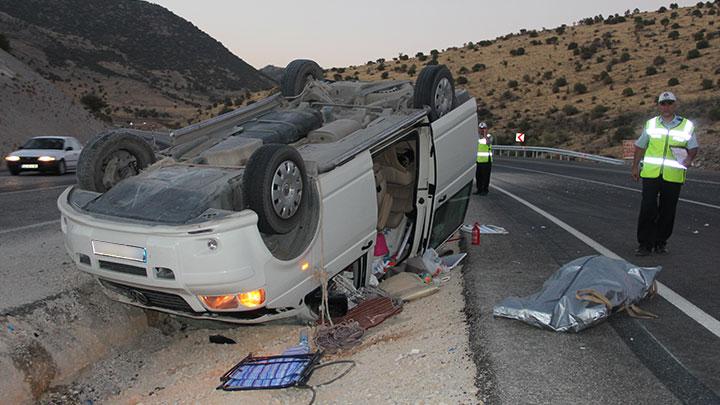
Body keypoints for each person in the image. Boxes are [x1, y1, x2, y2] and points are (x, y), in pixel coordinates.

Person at [631, 91, 699, 256]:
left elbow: (693, 147)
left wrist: (689, 159)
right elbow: (640, 146)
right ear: (659, 106)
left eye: (669, 103)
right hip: (651, 173)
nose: (666, 106)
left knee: (668, 211)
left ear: (675, 105)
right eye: (663, 103)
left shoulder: (686, 125)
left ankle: (660, 242)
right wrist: (635, 166)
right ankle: (644, 244)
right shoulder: (651, 124)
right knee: (648, 208)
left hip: (673, 175)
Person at [475, 122, 492, 195]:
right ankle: (479, 190)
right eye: (481, 128)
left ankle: (485, 190)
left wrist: (485, 135)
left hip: (486, 161)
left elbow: (488, 143)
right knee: (478, 177)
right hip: (478, 161)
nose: (482, 130)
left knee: (485, 177)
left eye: (484, 128)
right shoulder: (477, 137)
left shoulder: (489, 136)